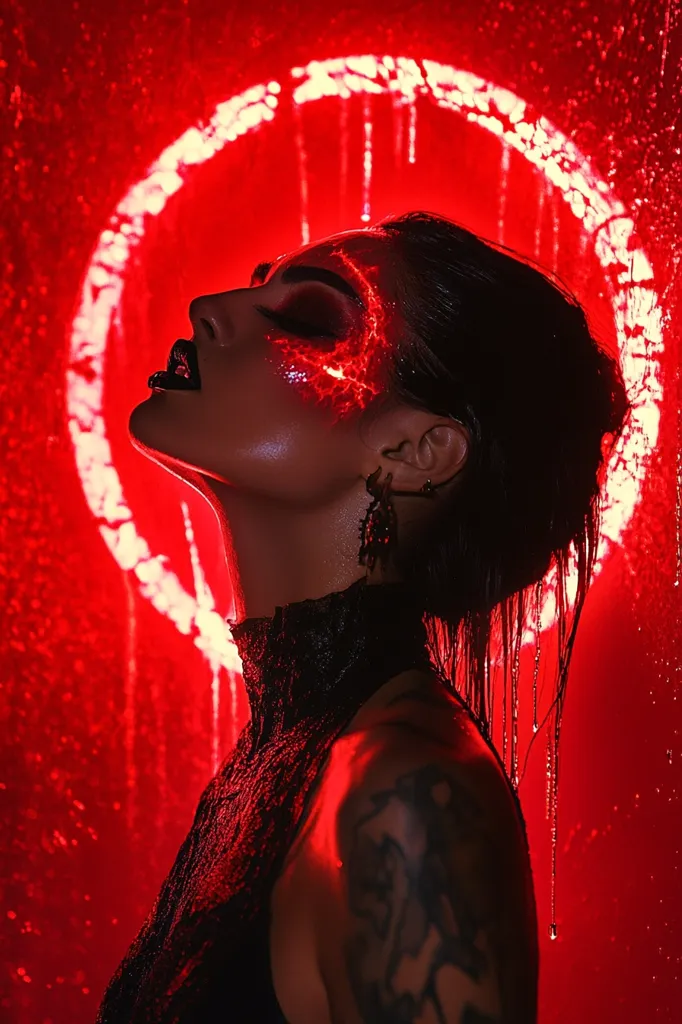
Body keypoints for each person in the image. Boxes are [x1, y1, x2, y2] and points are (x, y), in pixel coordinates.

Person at [96, 211, 629, 1023]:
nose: (210, 307)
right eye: (254, 286)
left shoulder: (408, 793)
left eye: (306, 319)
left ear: (417, 453)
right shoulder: (286, 762)